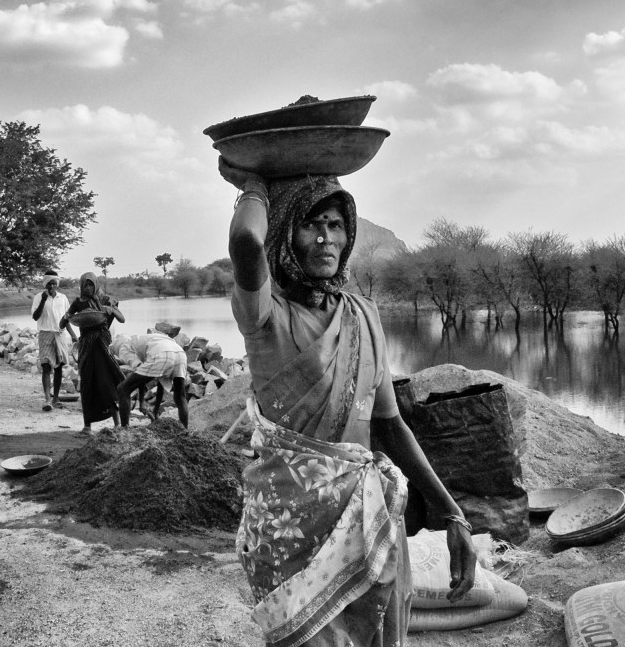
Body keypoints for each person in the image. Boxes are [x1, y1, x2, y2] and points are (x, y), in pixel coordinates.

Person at [220, 160, 477, 647]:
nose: (325, 239)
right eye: (310, 225)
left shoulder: (363, 315)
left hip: (367, 518)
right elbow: (246, 243)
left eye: (335, 225)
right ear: (283, 234)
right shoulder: (265, 315)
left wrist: (452, 514)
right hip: (292, 528)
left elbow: (391, 425)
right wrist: (255, 180)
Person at [60, 272, 125, 435]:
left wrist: (111, 309)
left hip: (101, 346)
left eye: (90, 284)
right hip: (86, 347)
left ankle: (117, 423)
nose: (87, 288)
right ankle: (87, 426)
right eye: (84, 285)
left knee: (105, 381)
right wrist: (66, 317)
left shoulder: (105, 300)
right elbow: (62, 323)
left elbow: (122, 319)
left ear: (95, 284)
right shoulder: (78, 302)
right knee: (87, 384)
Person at [112, 332, 190, 428]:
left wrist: (141, 403)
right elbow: (160, 383)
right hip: (180, 354)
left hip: (161, 354)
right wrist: (156, 411)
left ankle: (124, 429)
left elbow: (139, 376)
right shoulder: (146, 339)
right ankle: (185, 430)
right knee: (180, 396)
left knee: (122, 388)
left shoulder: (124, 348)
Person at [32, 272, 77, 411]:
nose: (52, 286)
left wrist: (74, 335)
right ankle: (47, 399)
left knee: (58, 367)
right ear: (45, 284)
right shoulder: (39, 297)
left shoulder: (62, 298)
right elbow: (35, 317)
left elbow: (66, 319)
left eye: (54, 283)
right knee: (46, 366)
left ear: (57, 284)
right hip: (45, 334)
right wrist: (43, 301)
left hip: (60, 334)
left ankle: (56, 398)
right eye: (49, 283)